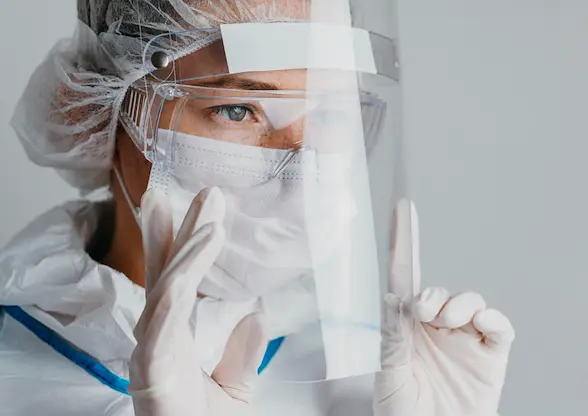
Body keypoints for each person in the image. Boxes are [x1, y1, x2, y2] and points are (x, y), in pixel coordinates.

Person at [0, 1, 515, 415]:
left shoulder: (383, 378)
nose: (303, 171)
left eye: (330, 113)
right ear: (101, 115)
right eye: (237, 109)